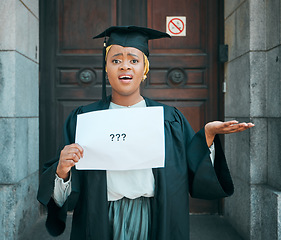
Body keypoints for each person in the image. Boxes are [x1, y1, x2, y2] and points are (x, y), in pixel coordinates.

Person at [37, 26, 254, 240]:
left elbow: (192, 170)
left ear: (145, 69)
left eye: (134, 60)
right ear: (106, 68)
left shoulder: (169, 119)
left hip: (155, 218)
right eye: (115, 60)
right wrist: (62, 170)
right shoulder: (85, 120)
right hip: (100, 220)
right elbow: (62, 190)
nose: (125, 67)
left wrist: (206, 136)